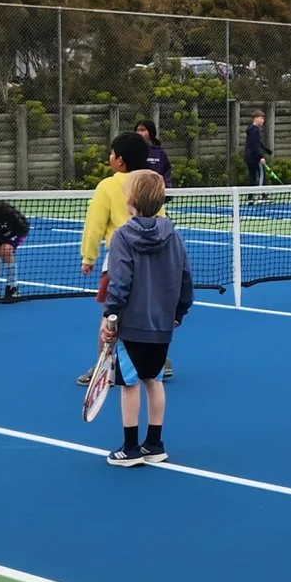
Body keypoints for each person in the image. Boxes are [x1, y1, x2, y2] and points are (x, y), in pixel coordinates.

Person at [98, 169, 192, 467]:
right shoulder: (174, 235)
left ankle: (130, 448)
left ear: (131, 200)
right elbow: (185, 278)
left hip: (132, 325)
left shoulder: (122, 237)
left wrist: (111, 317)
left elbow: (120, 282)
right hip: (162, 325)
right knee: (154, 380)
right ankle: (154, 444)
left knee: (129, 384)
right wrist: (178, 312)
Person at [80, 132, 148, 280]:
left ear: (120, 160)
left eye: (112, 154)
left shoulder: (107, 186)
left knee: (113, 302)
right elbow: (160, 219)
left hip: (119, 259)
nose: (109, 157)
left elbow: (94, 225)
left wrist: (88, 258)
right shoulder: (150, 184)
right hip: (151, 261)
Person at [243, 109, 270, 190]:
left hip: (249, 157)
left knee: (252, 177)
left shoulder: (251, 129)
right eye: (261, 118)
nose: (263, 121)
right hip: (254, 158)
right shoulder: (254, 130)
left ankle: (250, 198)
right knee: (262, 174)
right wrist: (261, 157)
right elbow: (255, 146)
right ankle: (261, 196)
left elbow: (258, 142)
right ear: (256, 118)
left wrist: (267, 150)